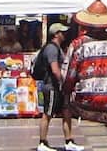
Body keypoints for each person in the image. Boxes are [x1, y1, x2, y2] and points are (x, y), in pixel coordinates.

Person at [35, 23, 80, 151]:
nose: (64, 34)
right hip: (52, 86)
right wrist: (63, 82)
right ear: (56, 34)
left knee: (66, 112)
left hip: (58, 87)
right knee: (48, 113)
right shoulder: (51, 49)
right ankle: (42, 143)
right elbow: (55, 69)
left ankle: (69, 141)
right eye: (62, 32)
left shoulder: (57, 48)